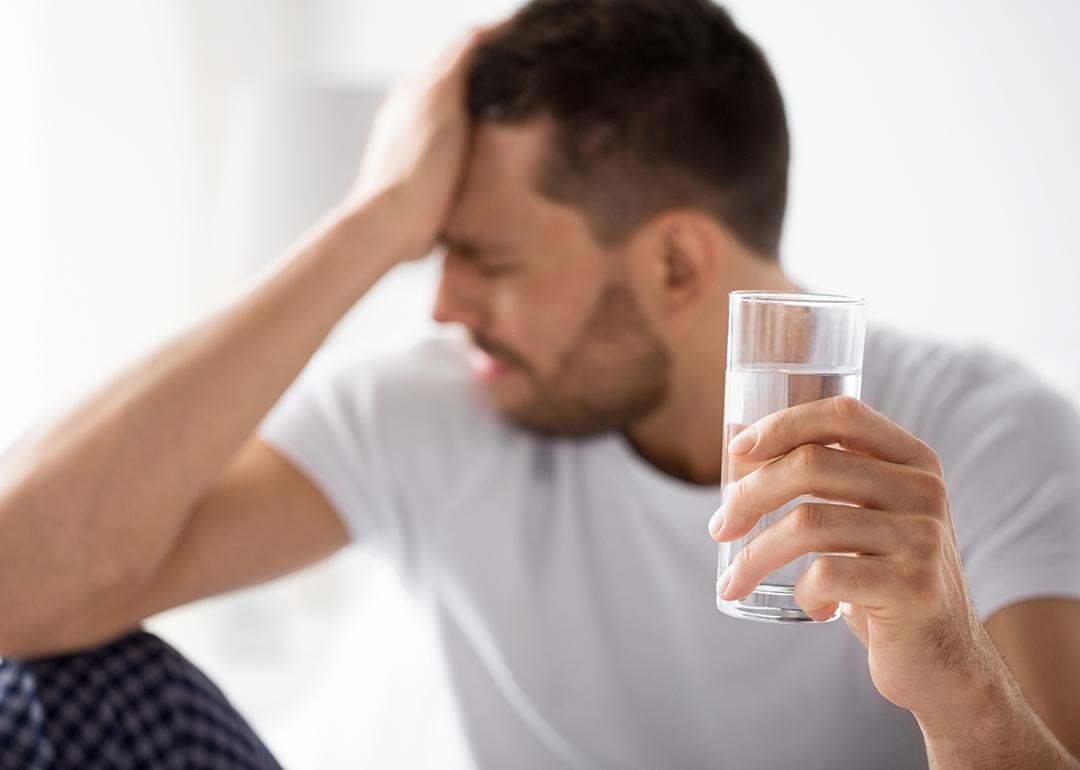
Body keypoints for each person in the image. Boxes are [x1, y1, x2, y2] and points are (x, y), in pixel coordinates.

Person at [1, 1, 1078, 768]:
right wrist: (370, 222)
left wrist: (954, 668)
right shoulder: (432, 407)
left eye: (490, 258)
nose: (441, 303)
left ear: (675, 264)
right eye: (431, 245)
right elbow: (16, 590)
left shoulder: (981, 439)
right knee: (50, 682)